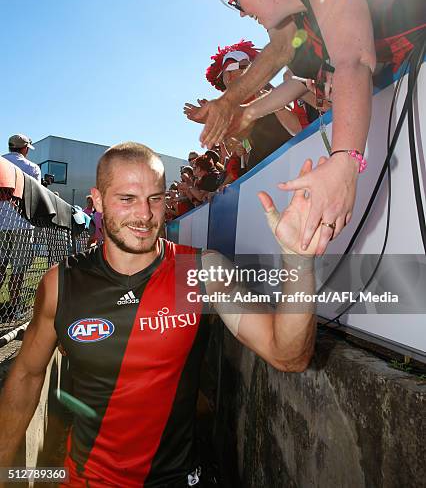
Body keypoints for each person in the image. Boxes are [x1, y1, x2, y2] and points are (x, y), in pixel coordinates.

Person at [0, 141, 319, 487]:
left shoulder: (197, 271)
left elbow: (288, 356)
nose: (145, 214)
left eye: (155, 198)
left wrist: (297, 261)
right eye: (127, 199)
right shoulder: (63, 284)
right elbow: (27, 376)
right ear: (98, 199)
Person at [192, 0, 426, 255]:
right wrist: (236, 107)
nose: (241, 16)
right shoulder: (302, 12)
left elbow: (353, 61)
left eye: (238, 2)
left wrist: (345, 162)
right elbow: (281, 53)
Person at [185, 40, 297, 170]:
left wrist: (273, 104)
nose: (227, 76)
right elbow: (245, 141)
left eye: (232, 69)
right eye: (225, 73)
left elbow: (296, 124)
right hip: (262, 169)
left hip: (290, 156)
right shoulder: (233, 106)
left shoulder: (265, 89)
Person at [0, 134, 41, 319]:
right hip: (21, 223)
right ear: (24, 148)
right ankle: (14, 308)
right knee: (18, 270)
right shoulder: (31, 167)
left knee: (1, 266)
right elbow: (35, 196)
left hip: (1, 223)